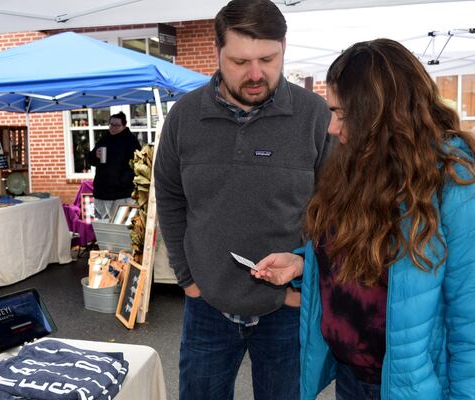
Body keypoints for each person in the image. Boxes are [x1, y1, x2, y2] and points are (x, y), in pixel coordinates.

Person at [253, 38, 475, 399]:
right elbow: (365, 258)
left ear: (381, 112)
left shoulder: (453, 180)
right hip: (351, 377)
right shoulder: (358, 164)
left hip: (410, 387)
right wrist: (302, 262)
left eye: (342, 114)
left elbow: (470, 319)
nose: (332, 127)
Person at [154, 0, 331, 398]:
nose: (255, 74)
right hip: (207, 308)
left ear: (284, 46)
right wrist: (188, 280)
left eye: (268, 59)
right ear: (217, 52)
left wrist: (304, 279)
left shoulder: (316, 116)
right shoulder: (184, 116)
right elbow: (169, 196)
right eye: (239, 62)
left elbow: (336, 209)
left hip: (287, 310)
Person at [87, 111, 141, 221]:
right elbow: (90, 160)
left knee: (120, 225)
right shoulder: (105, 138)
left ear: (124, 125)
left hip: (121, 193)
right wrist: (95, 155)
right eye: (111, 124)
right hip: (101, 192)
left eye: (117, 125)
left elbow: (137, 165)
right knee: (102, 224)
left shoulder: (131, 141)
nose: (113, 128)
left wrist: (122, 182)